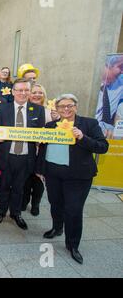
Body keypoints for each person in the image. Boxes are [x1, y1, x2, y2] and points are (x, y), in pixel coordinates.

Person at [36, 94, 109, 264]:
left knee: (74, 210)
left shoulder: (89, 124)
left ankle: (73, 244)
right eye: (62, 107)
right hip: (53, 173)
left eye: (70, 106)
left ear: (76, 106)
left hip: (78, 176)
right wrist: (40, 170)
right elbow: (43, 149)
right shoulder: (50, 126)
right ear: (57, 109)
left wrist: (82, 138)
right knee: (55, 203)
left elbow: (102, 147)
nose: (66, 109)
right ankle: (57, 228)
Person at [0, 79, 45, 230]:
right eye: (19, 90)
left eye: (26, 90)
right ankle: (1, 211)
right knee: (3, 186)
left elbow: (40, 134)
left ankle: (16, 213)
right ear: (13, 91)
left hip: (26, 157)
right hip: (6, 155)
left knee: (19, 187)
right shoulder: (2, 109)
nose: (23, 93)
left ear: (29, 92)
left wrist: (40, 139)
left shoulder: (38, 110)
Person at [22, 83, 59, 216]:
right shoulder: (23, 109)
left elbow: (58, 131)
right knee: (26, 178)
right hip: (28, 149)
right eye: (34, 92)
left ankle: (35, 203)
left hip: (43, 151)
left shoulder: (51, 111)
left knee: (38, 181)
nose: (37, 95)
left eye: (40, 92)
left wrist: (57, 120)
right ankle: (24, 200)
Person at [95, 55, 123, 138]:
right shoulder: (89, 83)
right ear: (108, 65)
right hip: (90, 129)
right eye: (120, 67)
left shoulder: (120, 82)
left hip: (109, 133)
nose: (122, 72)